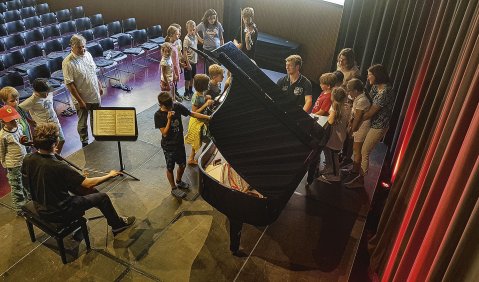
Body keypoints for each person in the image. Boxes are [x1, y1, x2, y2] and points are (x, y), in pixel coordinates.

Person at [21, 123, 135, 235]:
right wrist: (110, 175)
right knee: (103, 197)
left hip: (40, 206)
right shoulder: (58, 166)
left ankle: (98, 205)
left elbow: (26, 183)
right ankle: (118, 225)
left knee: (88, 191)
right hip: (60, 212)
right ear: (54, 143)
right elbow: (88, 184)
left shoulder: (28, 159)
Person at [345, 64, 394, 188]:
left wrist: (354, 121)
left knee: (365, 151)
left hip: (379, 126)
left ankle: (361, 180)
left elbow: (370, 113)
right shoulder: (376, 87)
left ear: (377, 76)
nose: (367, 78)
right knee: (359, 149)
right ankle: (356, 171)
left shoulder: (386, 91)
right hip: (371, 123)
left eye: (370, 75)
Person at [154, 92, 210, 198]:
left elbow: (192, 113)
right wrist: (169, 119)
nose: (171, 108)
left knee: (182, 165)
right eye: (169, 107)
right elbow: (164, 133)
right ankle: (173, 188)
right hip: (168, 146)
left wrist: (208, 117)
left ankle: (179, 181)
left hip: (179, 143)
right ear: (162, 105)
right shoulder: (158, 115)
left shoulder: (176, 106)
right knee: (170, 168)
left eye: (172, 105)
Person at [62, 34, 103, 148]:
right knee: (83, 122)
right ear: (72, 47)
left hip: (94, 94)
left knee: (96, 118)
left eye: (84, 46)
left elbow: (93, 73)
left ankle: (97, 137)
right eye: (79, 47)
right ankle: (84, 141)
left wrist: (99, 86)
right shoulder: (68, 62)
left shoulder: (88, 55)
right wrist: (80, 101)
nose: (83, 49)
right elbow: (70, 84)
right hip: (82, 98)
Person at [20, 78, 66, 154]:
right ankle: (51, 158)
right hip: (44, 128)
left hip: (55, 122)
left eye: (47, 92)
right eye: (43, 93)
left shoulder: (48, 92)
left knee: (61, 140)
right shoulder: (31, 100)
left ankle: (57, 157)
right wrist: (29, 121)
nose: (47, 94)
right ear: (36, 91)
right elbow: (19, 110)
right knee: (46, 147)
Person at [317, 88, 351, 183]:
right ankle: (329, 168)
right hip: (339, 135)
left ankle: (336, 175)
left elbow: (330, 121)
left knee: (333, 156)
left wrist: (329, 115)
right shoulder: (347, 106)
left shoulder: (335, 107)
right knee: (329, 153)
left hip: (334, 137)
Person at [0, 105, 30, 213]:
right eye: (11, 121)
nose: (14, 122)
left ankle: (30, 201)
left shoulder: (19, 127)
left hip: (24, 160)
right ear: (3, 122)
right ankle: (20, 208)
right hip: (13, 164)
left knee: (27, 181)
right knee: (17, 186)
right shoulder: (3, 136)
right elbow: (2, 151)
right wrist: (4, 163)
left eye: (15, 119)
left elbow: (23, 141)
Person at [343, 78, 371, 182]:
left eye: (349, 90)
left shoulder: (362, 100)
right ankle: (353, 169)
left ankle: (355, 171)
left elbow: (358, 117)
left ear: (355, 90)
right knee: (355, 149)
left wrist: (352, 130)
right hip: (358, 126)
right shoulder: (358, 98)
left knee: (356, 150)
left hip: (361, 128)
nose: (348, 92)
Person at [184, 74, 214, 165]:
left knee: (198, 140)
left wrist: (206, 98)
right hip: (197, 122)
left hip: (201, 120)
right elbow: (194, 113)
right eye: (207, 83)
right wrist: (206, 104)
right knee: (196, 141)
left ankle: (191, 158)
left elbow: (201, 101)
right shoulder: (196, 96)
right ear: (203, 86)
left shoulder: (201, 94)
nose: (209, 85)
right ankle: (191, 159)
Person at [183, 20, 198, 100]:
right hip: (188, 62)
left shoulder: (195, 37)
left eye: (193, 29)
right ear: (187, 29)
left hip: (194, 61)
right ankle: (186, 92)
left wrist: (196, 34)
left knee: (192, 77)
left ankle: (190, 90)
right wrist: (187, 64)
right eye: (190, 30)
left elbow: (200, 42)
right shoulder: (186, 39)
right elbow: (184, 53)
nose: (192, 31)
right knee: (187, 78)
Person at [165, 26, 181, 102]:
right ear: (171, 35)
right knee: (171, 85)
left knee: (174, 85)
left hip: (176, 67)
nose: (178, 36)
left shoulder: (175, 44)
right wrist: (174, 73)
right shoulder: (168, 47)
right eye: (177, 34)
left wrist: (180, 64)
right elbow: (169, 62)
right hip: (171, 70)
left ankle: (174, 97)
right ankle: (171, 99)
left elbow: (176, 59)